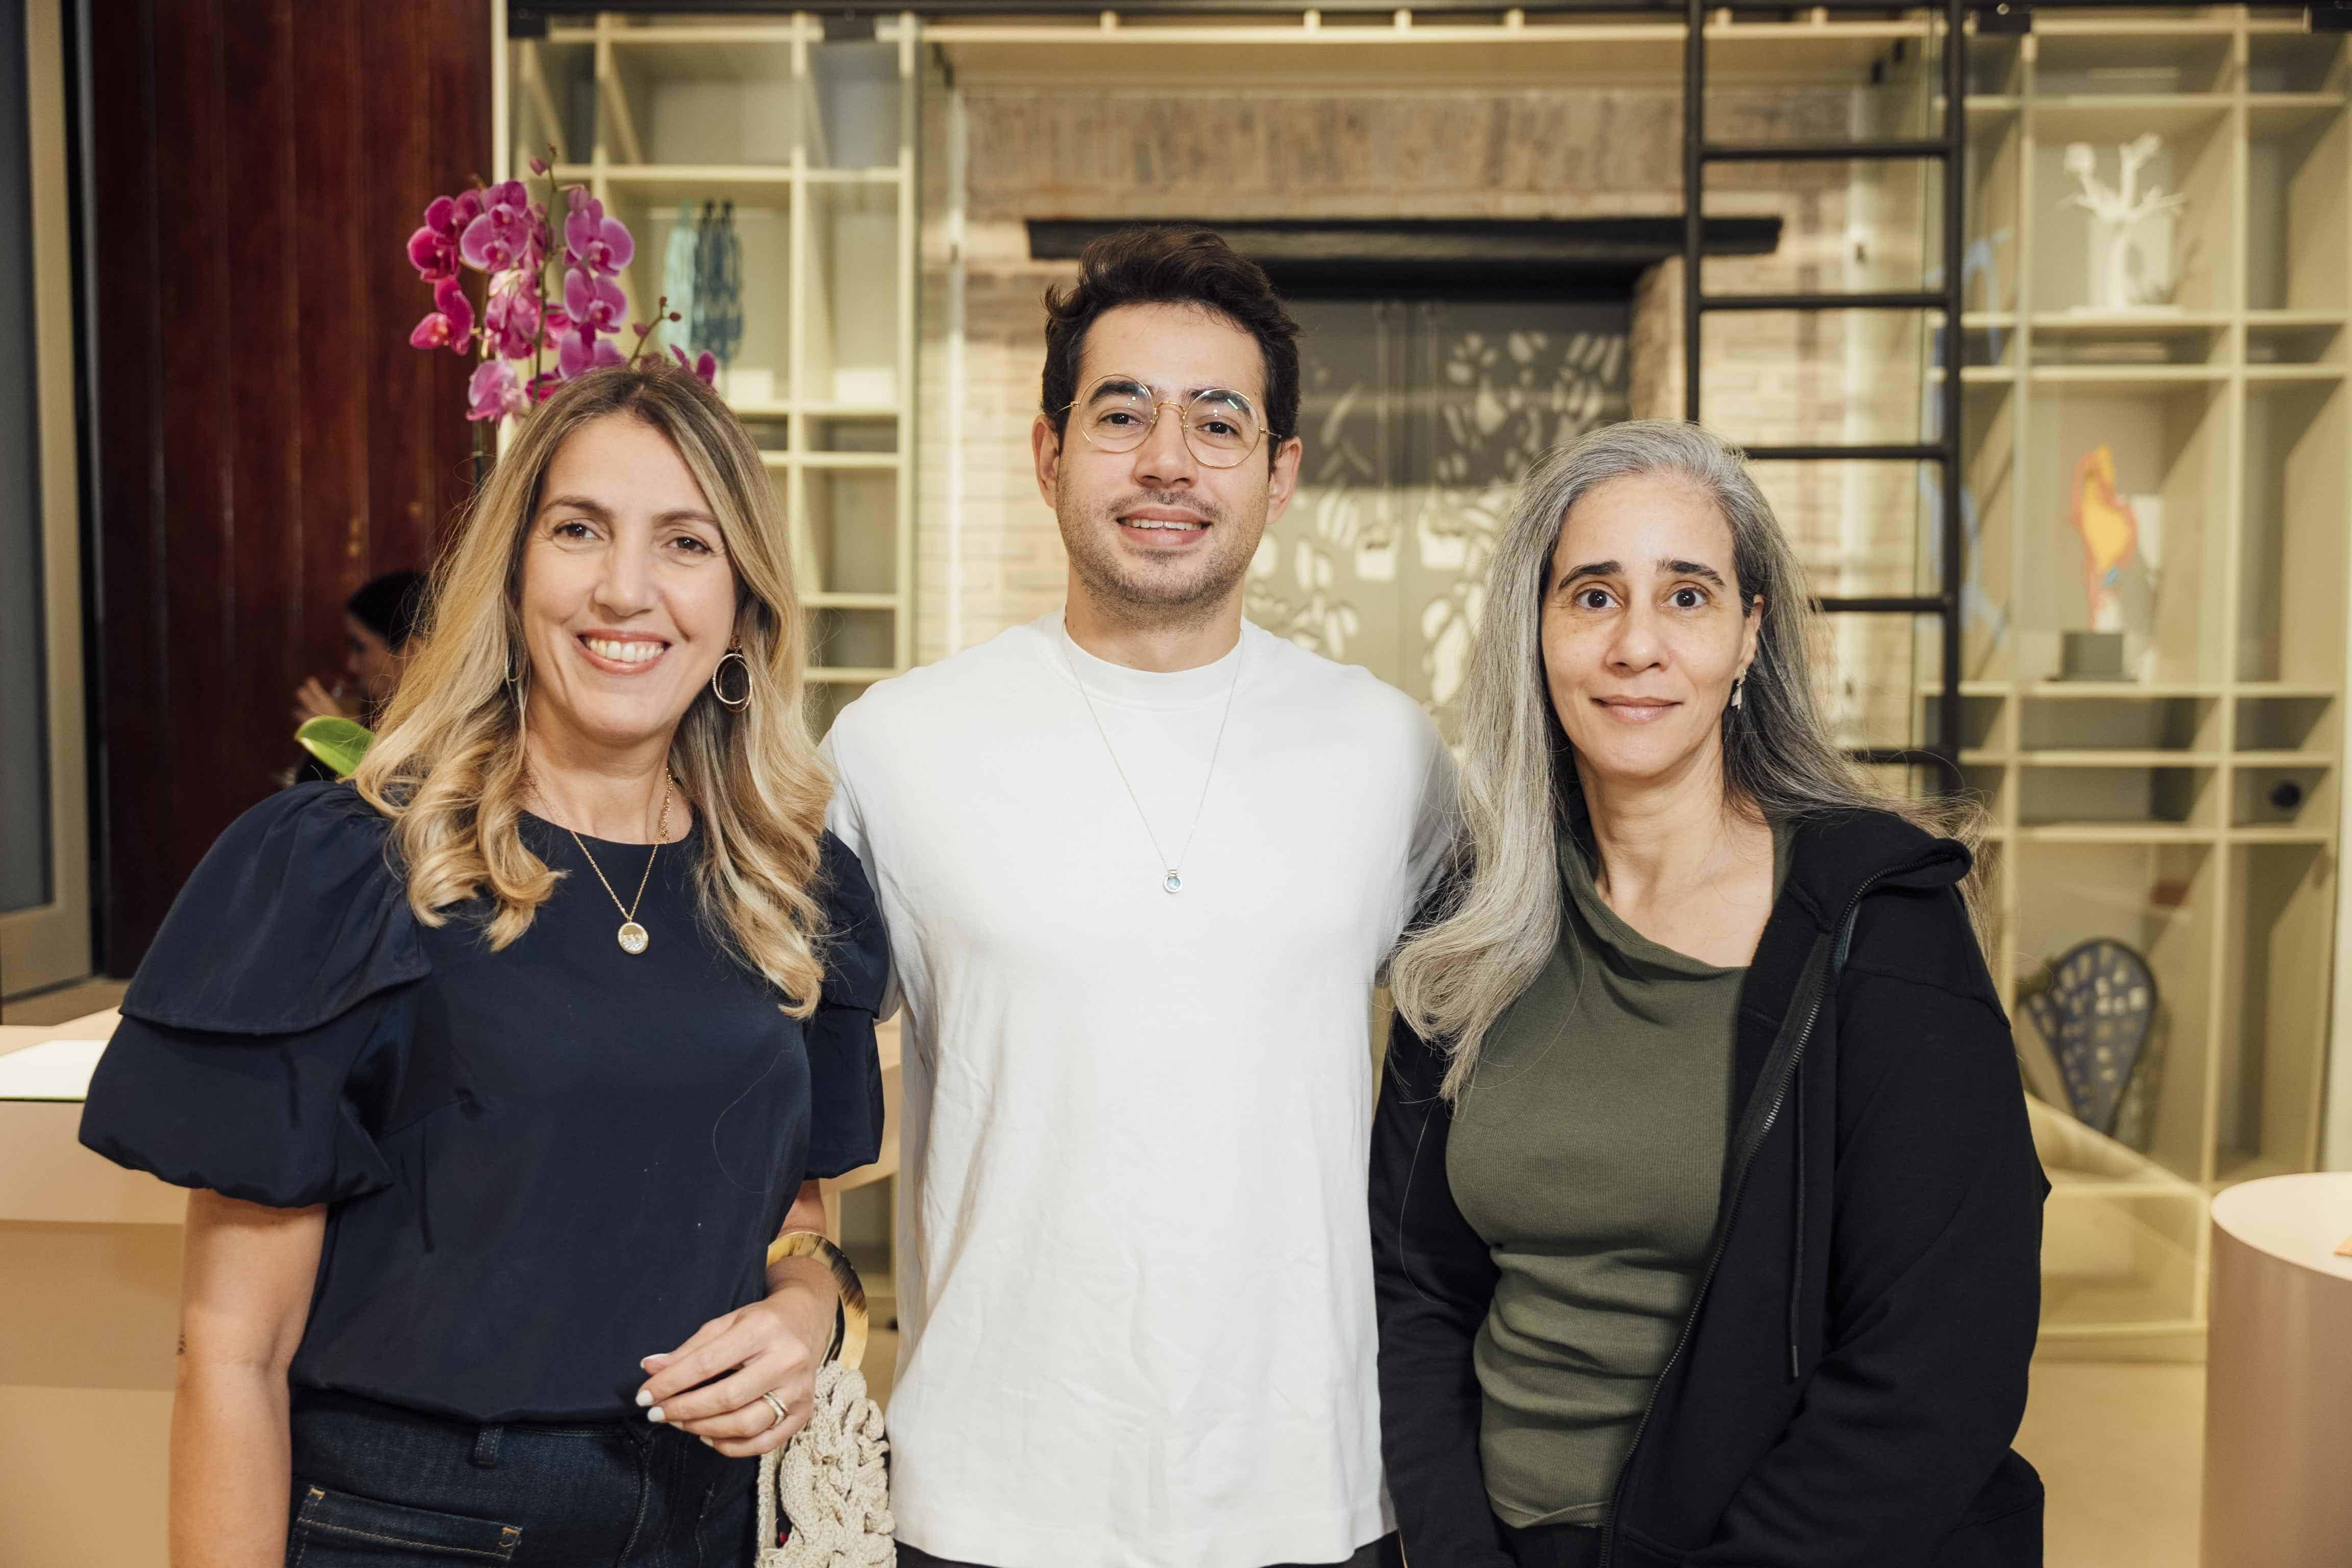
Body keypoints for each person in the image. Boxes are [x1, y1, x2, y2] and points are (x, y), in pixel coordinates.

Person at [80, 364, 889, 1567]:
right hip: (411, 1529)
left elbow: (792, 1215)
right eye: (579, 530)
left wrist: (809, 1309)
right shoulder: (348, 869)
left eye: (685, 542)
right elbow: (233, 1351)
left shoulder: (790, 883)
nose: (627, 586)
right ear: (511, 579)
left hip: (706, 1521)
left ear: (743, 605)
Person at [822, 226, 1455, 1567]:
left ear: (1281, 475)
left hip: (1316, 1492)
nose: (1169, 460)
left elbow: (1497, 1060)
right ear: (1048, 454)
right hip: (991, 1494)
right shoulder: (895, 747)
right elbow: (758, 1065)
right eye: (1124, 414)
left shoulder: (1389, 750)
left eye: (1219, 423)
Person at [1372, 420, 2046, 1568]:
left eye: (1687, 596)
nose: (1638, 645)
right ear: (1536, 634)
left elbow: (1937, 1369)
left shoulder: (1879, 925)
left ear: (1749, 636)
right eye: (1592, 596)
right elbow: (1414, 1287)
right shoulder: (1475, 926)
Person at [291, 568, 429, 727]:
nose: (352, 666)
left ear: (412, 652)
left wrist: (339, 737)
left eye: (360, 647)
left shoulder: (447, 727)